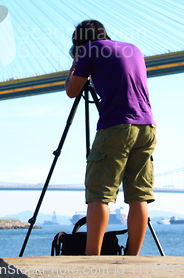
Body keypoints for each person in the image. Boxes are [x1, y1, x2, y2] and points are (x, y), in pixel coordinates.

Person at [65, 20, 156, 256]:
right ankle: (132, 259)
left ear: (81, 43)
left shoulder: (89, 50)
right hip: (147, 126)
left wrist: (76, 61)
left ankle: (92, 259)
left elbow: (71, 90)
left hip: (116, 126)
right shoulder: (133, 48)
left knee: (99, 194)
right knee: (138, 195)